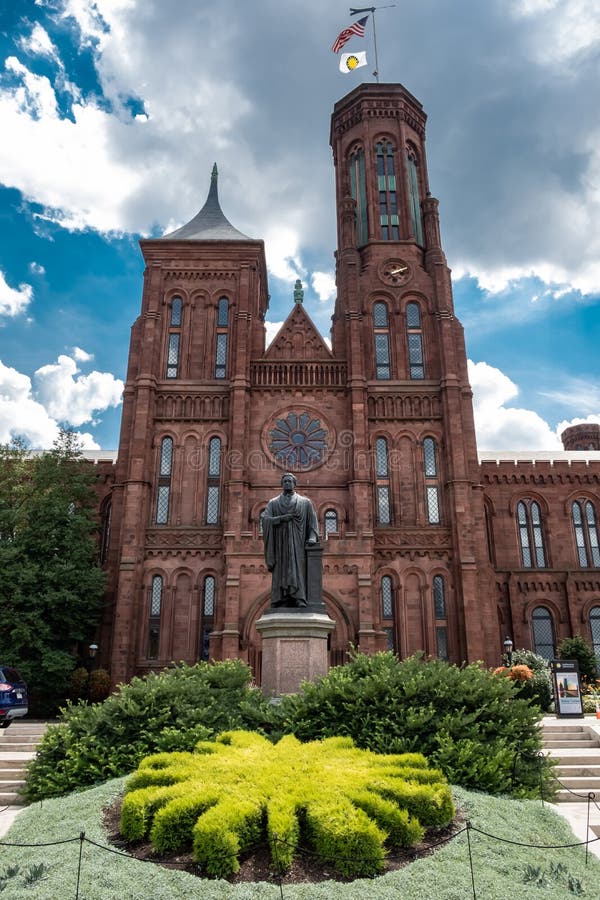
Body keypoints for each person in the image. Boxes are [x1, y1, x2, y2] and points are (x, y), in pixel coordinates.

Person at [262, 473, 319, 609]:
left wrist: (312, 537)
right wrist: (281, 519)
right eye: (285, 481)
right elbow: (265, 519)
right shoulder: (273, 503)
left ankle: (299, 598)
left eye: (290, 481)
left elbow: (312, 523)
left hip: (298, 545)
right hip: (280, 544)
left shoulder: (305, 503)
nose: (287, 483)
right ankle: (282, 598)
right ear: (282, 484)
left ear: (295, 483)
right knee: (281, 570)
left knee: (297, 569)